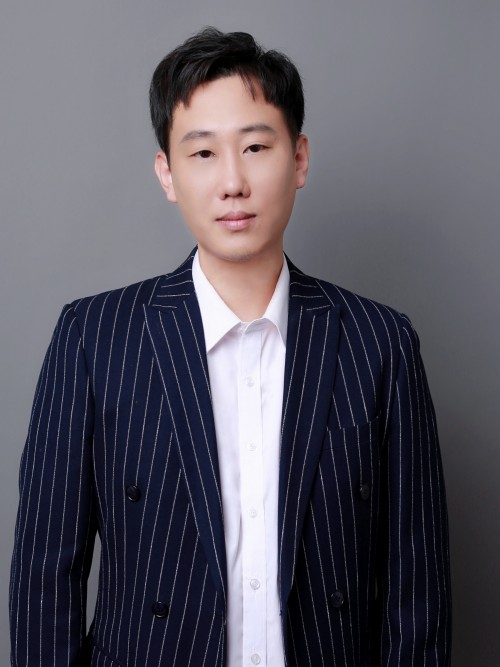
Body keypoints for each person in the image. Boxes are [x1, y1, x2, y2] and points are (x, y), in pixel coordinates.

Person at [9, 27, 451, 667]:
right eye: (202, 153)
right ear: (167, 173)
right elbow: (45, 575)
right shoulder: (93, 337)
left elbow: (418, 592)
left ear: (299, 159)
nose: (233, 182)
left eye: (255, 147)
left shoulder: (380, 342)